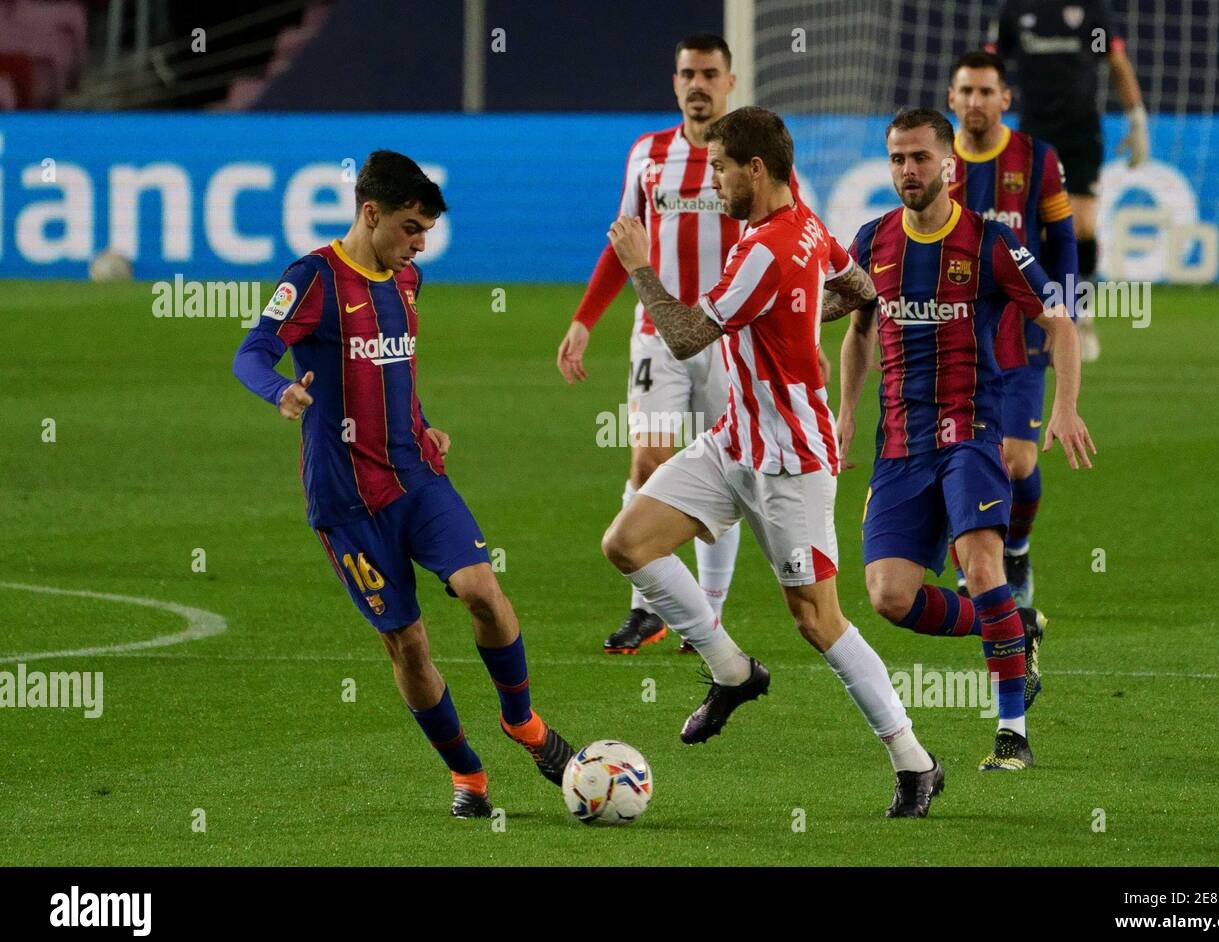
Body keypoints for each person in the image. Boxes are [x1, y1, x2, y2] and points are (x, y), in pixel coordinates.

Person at [602, 106, 944, 818]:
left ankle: (915, 761)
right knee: (627, 543)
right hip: (734, 441)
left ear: (755, 169)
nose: (715, 179)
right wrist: (790, 311)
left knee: (818, 621)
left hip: (791, 460)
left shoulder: (763, 248)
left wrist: (640, 267)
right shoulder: (810, 227)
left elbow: (689, 336)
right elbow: (859, 291)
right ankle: (730, 670)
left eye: (722, 167)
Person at [232, 150, 575, 818]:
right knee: (408, 644)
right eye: (411, 227)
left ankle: (523, 722)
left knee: (483, 589)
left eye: (425, 232)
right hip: (347, 503)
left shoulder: (408, 281)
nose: (419, 243)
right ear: (371, 212)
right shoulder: (314, 279)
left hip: (416, 477)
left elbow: (394, 373)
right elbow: (251, 351)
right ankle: (468, 775)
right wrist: (280, 392)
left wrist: (423, 426)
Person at [836, 110, 1096, 771]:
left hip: (970, 436)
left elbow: (1058, 323)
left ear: (949, 166)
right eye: (896, 158)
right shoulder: (872, 240)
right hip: (899, 443)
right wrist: (843, 413)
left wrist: (1063, 407)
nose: (907, 171)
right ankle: (1011, 624)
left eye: (920, 158)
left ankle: (1012, 734)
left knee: (983, 569)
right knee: (889, 598)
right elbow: (858, 330)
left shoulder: (989, 244)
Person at [555, 33, 745, 655]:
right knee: (647, 461)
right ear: (675, 82)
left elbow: (781, 240)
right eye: (688, 73)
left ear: (730, 81)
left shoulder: (749, 155)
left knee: (730, 472)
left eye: (710, 74)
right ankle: (649, 608)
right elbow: (623, 242)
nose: (699, 84)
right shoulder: (648, 154)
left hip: (727, 334)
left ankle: (708, 615)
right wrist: (585, 320)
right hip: (657, 334)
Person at [945, 49, 1079, 606]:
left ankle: (1016, 549)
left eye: (986, 91)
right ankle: (978, 558)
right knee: (956, 454)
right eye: (965, 91)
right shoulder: (932, 160)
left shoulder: (1037, 158)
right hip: (951, 334)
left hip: (1019, 332)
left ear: (1005, 99)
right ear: (951, 98)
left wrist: (1067, 312)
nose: (975, 101)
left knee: (1017, 458)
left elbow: (1064, 240)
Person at [988, 0, 1151, 362]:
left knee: (1082, 226)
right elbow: (991, 65)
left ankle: (1083, 313)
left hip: (1081, 133)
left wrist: (1137, 119)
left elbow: (1115, 62)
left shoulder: (1089, 11)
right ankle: (1052, 318)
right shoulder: (1016, 13)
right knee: (1041, 229)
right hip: (1034, 133)